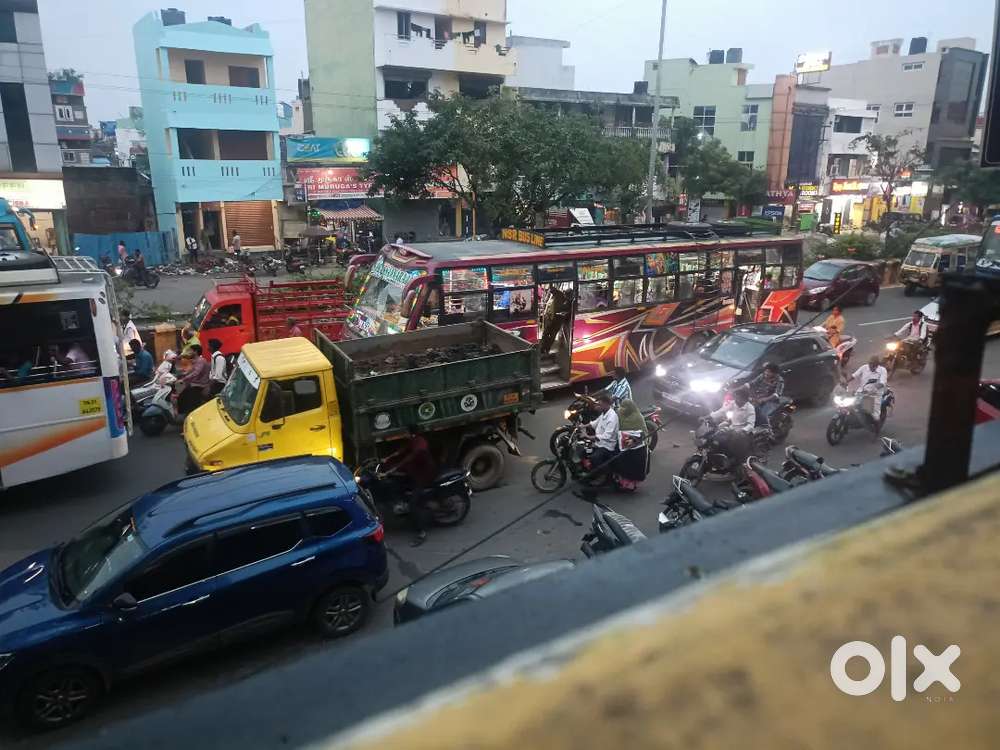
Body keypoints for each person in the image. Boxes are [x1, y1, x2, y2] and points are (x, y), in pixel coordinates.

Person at [381, 426, 437, 547]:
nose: (404, 434)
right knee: (398, 481)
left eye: (405, 432)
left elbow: (408, 458)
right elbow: (403, 450)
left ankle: (421, 532)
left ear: (410, 433)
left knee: (413, 504)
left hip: (423, 476)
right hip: (415, 471)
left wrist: (393, 469)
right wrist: (387, 458)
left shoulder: (420, 446)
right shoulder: (415, 440)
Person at [707, 385, 756, 462]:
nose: (736, 400)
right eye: (735, 397)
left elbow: (751, 425)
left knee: (734, 449)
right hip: (732, 428)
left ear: (745, 400)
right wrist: (709, 417)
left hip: (742, 433)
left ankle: (736, 462)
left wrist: (743, 431)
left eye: (738, 398)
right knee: (715, 436)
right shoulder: (733, 403)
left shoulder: (750, 408)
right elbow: (722, 411)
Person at [615, 399, 649, 489]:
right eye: (622, 406)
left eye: (625, 407)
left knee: (635, 463)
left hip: (637, 446)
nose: (622, 409)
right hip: (622, 443)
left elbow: (645, 433)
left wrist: (634, 439)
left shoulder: (638, 417)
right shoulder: (619, 414)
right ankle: (622, 481)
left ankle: (632, 483)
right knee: (621, 461)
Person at [849, 356, 889, 424]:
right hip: (861, 392)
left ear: (877, 365)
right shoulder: (864, 367)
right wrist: (846, 381)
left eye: (873, 364)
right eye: (870, 363)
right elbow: (854, 375)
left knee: (875, 416)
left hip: (875, 394)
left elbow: (882, 383)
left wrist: (874, 389)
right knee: (851, 406)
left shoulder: (882, 370)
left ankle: (877, 427)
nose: (870, 366)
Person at [586, 393, 620, 472]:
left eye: (600, 404)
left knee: (594, 458)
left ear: (606, 404)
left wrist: (589, 437)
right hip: (600, 442)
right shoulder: (604, 413)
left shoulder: (612, 418)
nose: (598, 406)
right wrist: (582, 426)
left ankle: (606, 474)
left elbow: (606, 436)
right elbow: (595, 422)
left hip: (607, 445)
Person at [177, 344, 210, 414]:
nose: (189, 352)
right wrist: (182, 374)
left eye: (191, 350)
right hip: (194, 383)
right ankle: (182, 413)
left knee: (185, 395)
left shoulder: (201, 361)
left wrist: (184, 379)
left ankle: (188, 413)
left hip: (199, 384)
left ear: (196, 352)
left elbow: (196, 373)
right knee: (180, 393)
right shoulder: (195, 360)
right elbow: (190, 370)